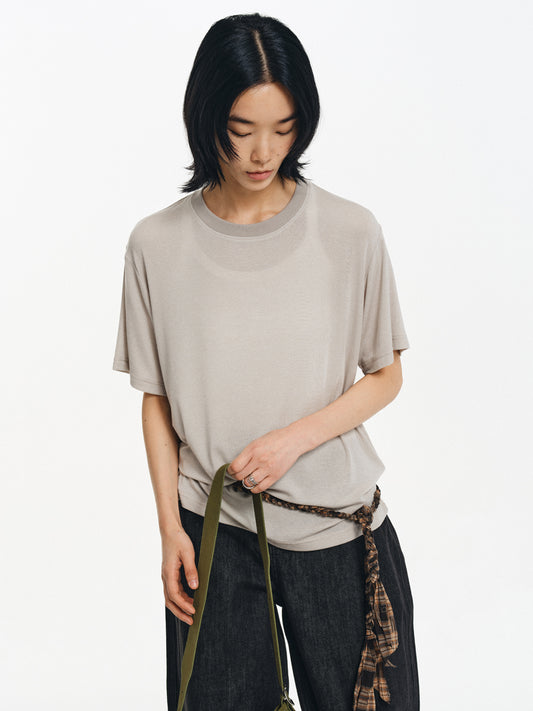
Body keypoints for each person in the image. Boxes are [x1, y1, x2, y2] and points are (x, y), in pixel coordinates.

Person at [112, 12, 420, 711]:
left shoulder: (348, 230)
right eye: (241, 129)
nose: (262, 152)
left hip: (337, 526)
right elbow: (157, 400)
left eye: (283, 129)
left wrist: (292, 440)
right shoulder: (156, 245)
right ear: (205, 120)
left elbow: (385, 374)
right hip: (213, 533)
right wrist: (169, 530)